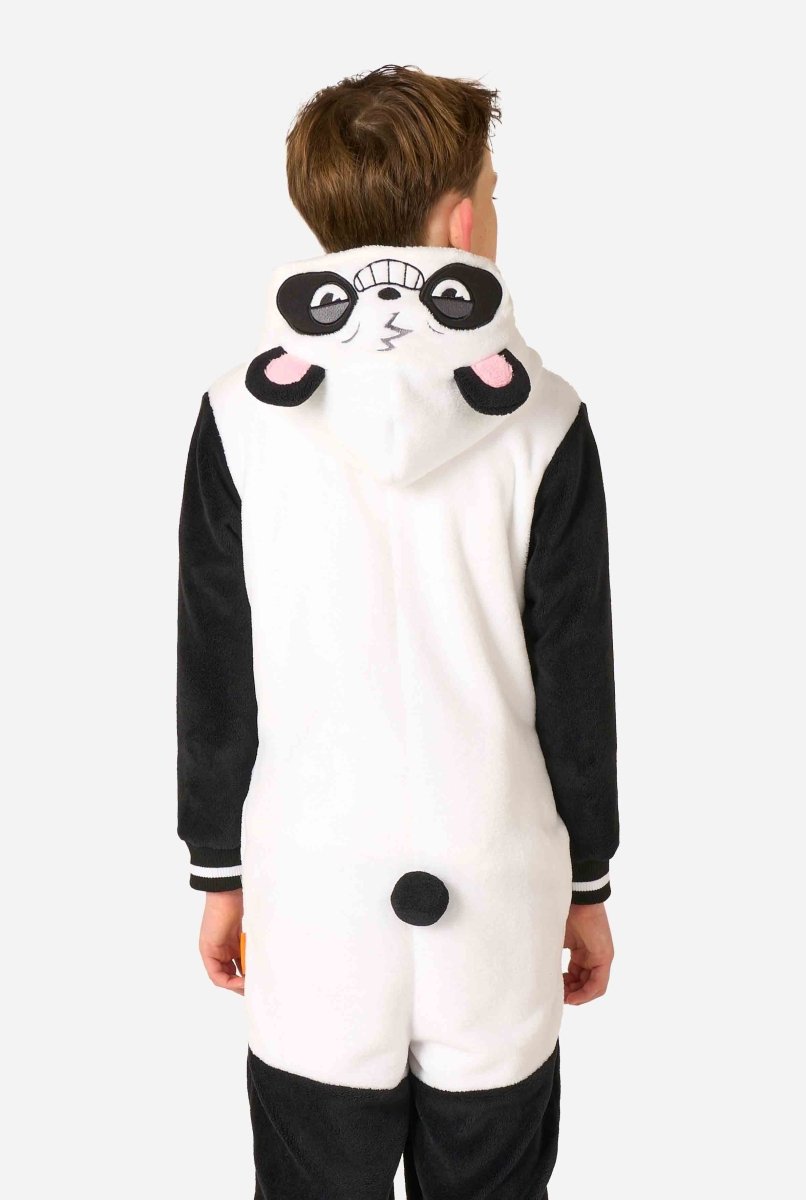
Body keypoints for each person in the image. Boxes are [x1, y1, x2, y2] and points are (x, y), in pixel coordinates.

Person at [177, 63, 619, 1200]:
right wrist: (588, 887)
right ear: (463, 222)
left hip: (310, 883)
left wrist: (220, 872)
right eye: (494, 190)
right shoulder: (546, 418)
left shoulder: (236, 416)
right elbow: (576, 680)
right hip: (500, 885)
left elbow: (215, 669)